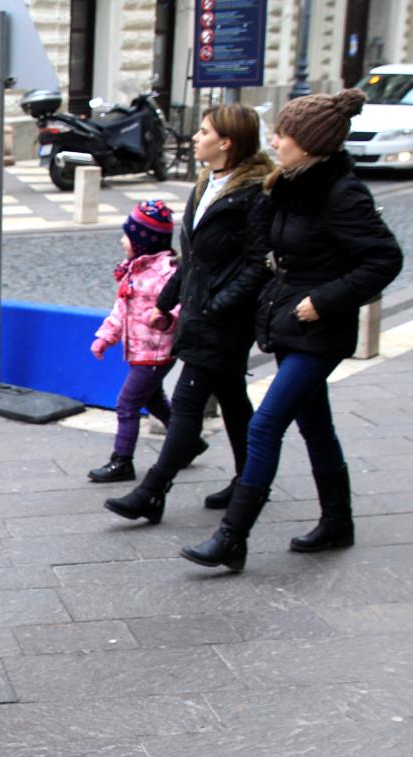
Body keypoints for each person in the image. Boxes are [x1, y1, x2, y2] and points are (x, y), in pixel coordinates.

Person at [183, 89, 403, 571]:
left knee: (265, 425)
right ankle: (337, 522)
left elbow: (384, 258)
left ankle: (232, 537)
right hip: (288, 323)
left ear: (309, 143)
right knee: (315, 425)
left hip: (318, 331)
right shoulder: (291, 184)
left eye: (284, 134)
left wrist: (321, 301)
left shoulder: (342, 194)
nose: (275, 141)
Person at [106, 105, 273, 523]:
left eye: (203, 131)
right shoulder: (207, 183)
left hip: (223, 320)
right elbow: (192, 258)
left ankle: (152, 490)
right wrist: (166, 302)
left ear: (226, 142)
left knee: (185, 403)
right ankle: (247, 479)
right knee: (234, 401)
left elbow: (256, 265)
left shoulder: (252, 194)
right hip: (200, 311)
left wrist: (217, 306)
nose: (196, 138)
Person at [87, 200, 185, 484]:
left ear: (144, 241)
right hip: (140, 349)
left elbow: (180, 304)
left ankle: (122, 461)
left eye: (128, 236)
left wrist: (166, 318)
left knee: (127, 403)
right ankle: (187, 442)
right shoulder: (135, 269)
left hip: (157, 351)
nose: (122, 241)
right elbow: (121, 309)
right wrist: (105, 336)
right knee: (153, 399)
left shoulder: (165, 272)